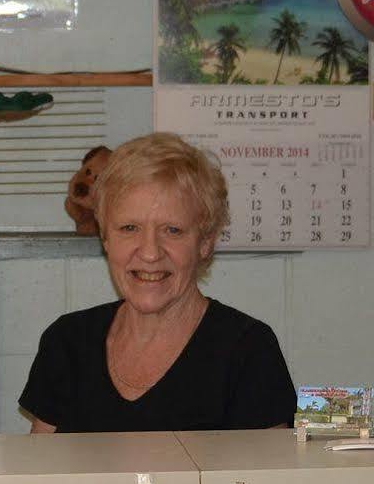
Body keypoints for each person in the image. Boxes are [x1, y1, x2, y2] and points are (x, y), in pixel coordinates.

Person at [19, 132, 294, 432]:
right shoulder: (66, 344)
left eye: (173, 230)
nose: (150, 252)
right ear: (106, 238)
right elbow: (39, 476)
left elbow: (269, 479)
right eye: (129, 228)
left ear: (205, 243)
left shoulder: (248, 351)